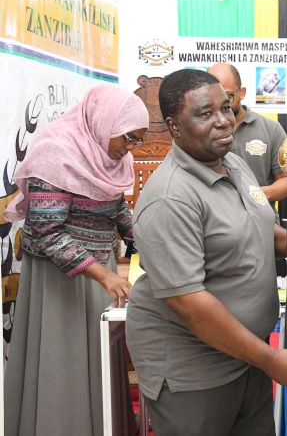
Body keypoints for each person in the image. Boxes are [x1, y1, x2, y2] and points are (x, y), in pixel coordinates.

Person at [125, 69, 287, 435]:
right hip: (196, 372)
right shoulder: (170, 198)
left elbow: (263, 233)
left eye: (225, 108)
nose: (223, 121)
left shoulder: (234, 164)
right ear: (173, 126)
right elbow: (190, 303)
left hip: (247, 358)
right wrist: (269, 358)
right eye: (205, 113)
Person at [3, 85, 149, 436]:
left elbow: (117, 210)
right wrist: (105, 277)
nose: (130, 147)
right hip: (59, 278)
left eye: (137, 140)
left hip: (100, 273)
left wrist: (149, 243)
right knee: (62, 361)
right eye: (128, 137)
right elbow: (47, 232)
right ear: (105, 122)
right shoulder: (55, 152)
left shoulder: (114, 157)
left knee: (99, 358)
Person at [208, 62, 287, 202]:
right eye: (212, 97)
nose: (220, 104)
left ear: (242, 93)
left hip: (259, 214)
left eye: (228, 96)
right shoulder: (199, 131)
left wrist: (255, 196)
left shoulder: (271, 129)